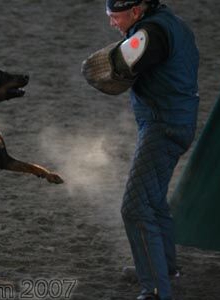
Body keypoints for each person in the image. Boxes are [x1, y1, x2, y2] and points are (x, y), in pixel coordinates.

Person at [84, 0, 199, 299]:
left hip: (163, 127)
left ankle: (155, 289)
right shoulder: (171, 22)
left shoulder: (150, 34)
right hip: (176, 121)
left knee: (134, 208)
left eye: (115, 17)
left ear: (136, 11)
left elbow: (118, 67)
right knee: (154, 200)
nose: (112, 23)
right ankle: (166, 268)